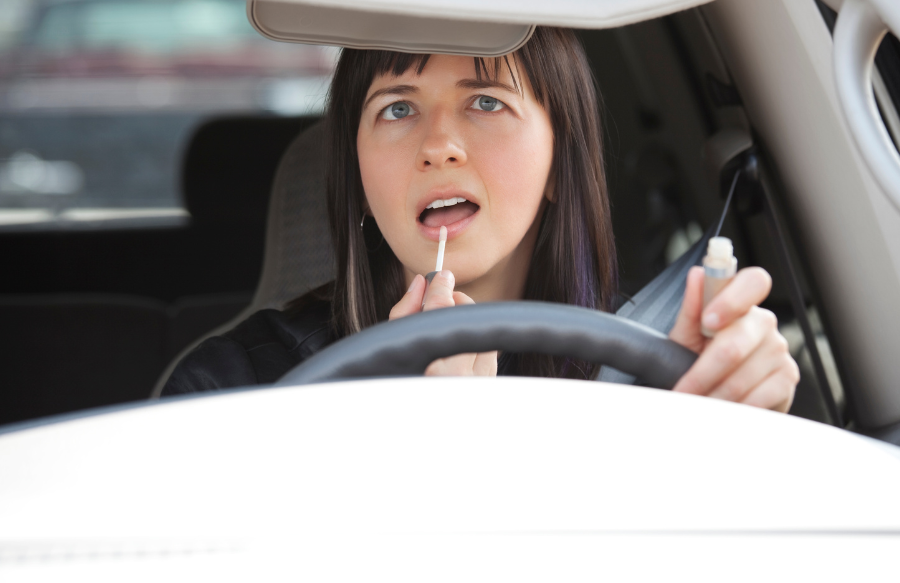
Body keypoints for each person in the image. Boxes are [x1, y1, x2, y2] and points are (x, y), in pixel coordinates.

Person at [163, 27, 799, 412]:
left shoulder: (652, 370)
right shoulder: (234, 389)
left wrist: (737, 426)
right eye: (396, 109)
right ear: (356, 176)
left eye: (487, 101)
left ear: (559, 163)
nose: (439, 145)